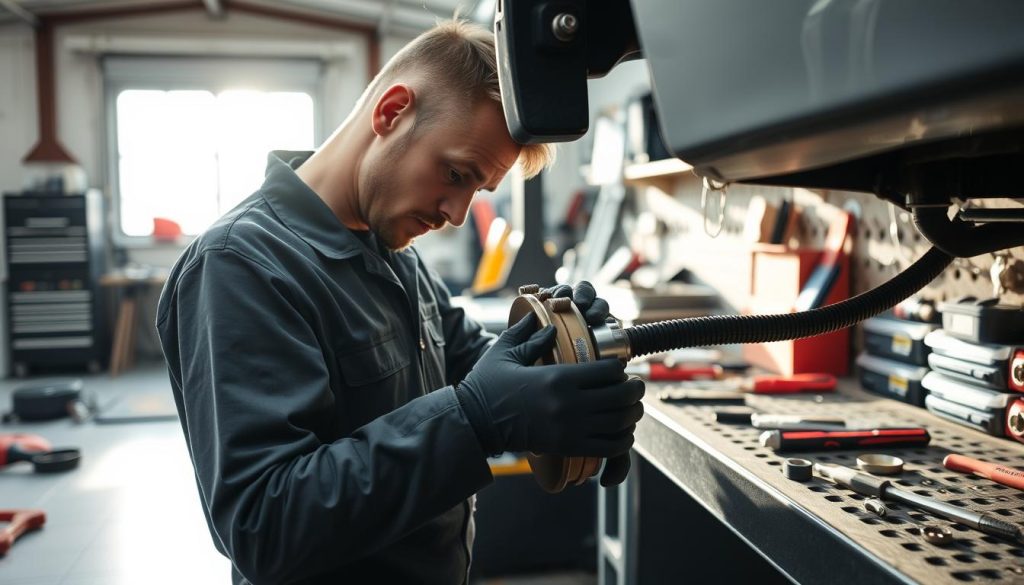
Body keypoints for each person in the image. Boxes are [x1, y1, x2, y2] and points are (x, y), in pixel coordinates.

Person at [156, 18, 645, 585]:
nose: (458, 213)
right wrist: (474, 421)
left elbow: (470, 360)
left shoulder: (391, 246)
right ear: (391, 113)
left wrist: (561, 363)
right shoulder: (242, 265)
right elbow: (264, 523)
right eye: (456, 174)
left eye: (477, 190)